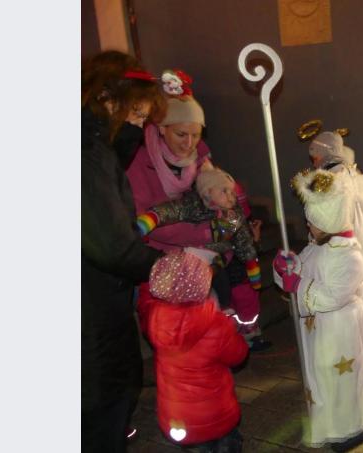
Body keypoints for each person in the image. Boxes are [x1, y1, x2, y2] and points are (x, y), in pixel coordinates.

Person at [126, 70, 271, 351]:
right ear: (161, 128)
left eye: (196, 134)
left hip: (211, 253)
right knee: (192, 332)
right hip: (167, 258)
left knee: (222, 309)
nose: (189, 143)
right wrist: (208, 231)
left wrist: (237, 221)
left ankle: (235, 338)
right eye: (181, 134)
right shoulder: (139, 162)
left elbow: (221, 195)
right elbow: (148, 218)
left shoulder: (201, 157)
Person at [81, 50, 166, 453]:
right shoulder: (87, 155)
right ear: (108, 101)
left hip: (99, 306)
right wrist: (169, 268)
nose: (137, 127)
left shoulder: (99, 146)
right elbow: (112, 245)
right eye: (134, 116)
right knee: (102, 409)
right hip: (89, 313)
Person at [273, 169, 363, 451]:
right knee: (322, 376)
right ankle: (332, 422)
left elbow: (331, 297)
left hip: (340, 329)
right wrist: (287, 269)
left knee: (342, 379)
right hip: (320, 330)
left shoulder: (350, 256)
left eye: (313, 223)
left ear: (328, 220)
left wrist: (298, 283)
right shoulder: (318, 245)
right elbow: (302, 271)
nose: (309, 228)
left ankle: (350, 428)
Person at [137, 251, 249, 452]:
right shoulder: (214, 322)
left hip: (179, 418)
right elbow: (238, 354)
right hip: (216, 414)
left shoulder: (156, 319)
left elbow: (145, 307)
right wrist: (231, 328)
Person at [136, 167, 263, 334]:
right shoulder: (195, 205)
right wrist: (149, 220)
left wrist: (252, 267)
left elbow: (243, 241)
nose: (231, 197)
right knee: (192, 292)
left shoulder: (234, 215)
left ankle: (223, 319)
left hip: (216, 259)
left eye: (232, 192)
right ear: (208, 193)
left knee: (222, 287)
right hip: (192, 256)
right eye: (224, 191)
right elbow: (171, 210)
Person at [305, 127, 363, 338]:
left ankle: (351, 338)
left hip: (342, 240)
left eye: (314, 156)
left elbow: (328, 217)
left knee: (345, 290)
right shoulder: (350, 173)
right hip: (360, 238)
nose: (313, 161)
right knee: (359, 287)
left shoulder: (330, 178)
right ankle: (360, 332)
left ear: (320, 154)